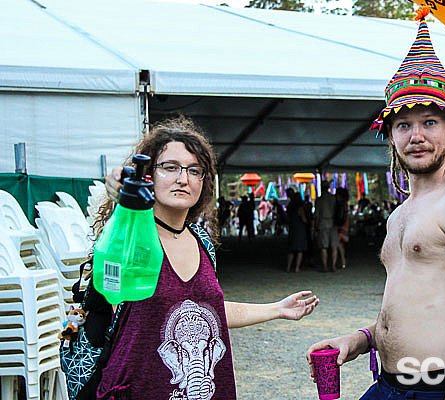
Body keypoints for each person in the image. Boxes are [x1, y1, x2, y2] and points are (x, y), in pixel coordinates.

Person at [307, 8, 445, 400]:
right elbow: (418, 308)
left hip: (440, 389)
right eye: (404, 125)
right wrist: (360, 340)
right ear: (391, 134)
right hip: (388, 387)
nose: (416, 136)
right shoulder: (400, 213)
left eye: (429, 122)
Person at [99, 117, 319, 399]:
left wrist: (277, 309)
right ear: (147, 175)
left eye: (194, 170)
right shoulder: (130, 239)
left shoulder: (201, 240)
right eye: (169, 167)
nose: (183, 179)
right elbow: (111, 293)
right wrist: (123, 196)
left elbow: (208, 311)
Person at [314, 180, 339, 272]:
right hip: (333, 223)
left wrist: (315, 226)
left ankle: (324, 266)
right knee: (334, 246)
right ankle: (333, 266)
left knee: (323, 247)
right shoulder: (334, 198)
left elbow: (317, 214)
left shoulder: (319, 200)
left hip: (323, 223)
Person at [286, 192, 308, 272]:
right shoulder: (300, 208)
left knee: (291, 249)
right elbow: (304, 219)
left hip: (292, 228)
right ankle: (297, 267)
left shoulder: (290, 206)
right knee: (300, 249)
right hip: (300, 229)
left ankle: (288, 267)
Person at [335, 187, 350, 269]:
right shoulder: (345, 203)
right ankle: (343, 261)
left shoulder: (341, 204)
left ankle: (341, 261)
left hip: (341, 225)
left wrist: (338, 224)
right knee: (340, 244)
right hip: (345, 224)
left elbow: (341, 215)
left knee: (337, 243)